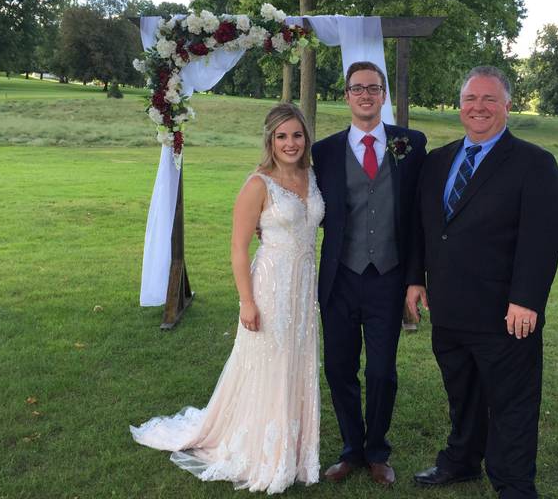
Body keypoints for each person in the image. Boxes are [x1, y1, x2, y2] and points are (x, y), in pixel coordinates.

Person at [130, 103, 325, 494]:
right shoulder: (258, 183)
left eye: (297, 135)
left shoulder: (312, 176)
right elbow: (238, 248)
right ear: (270, 140)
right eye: (282, 136)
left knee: (296, 361)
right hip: (269, 288)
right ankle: (261, 451)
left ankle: (296, 449)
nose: (290, 143)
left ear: (306, 138)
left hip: (303, 289)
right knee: (267, 364)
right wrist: (247, 302)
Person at [406, 66, 558, 499]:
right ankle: (460, 462)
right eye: (471, 100)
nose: (479, 108)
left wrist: (527, 299)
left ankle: (513, 484)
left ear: (507, 106)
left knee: (512, 405)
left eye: (489, 99)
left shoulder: (534, 163)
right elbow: (423, 226)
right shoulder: (438, 161)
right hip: (450, 309)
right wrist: (415, 279)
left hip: (505, 314)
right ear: (460, 107)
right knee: (463, 395)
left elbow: (545, 234)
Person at [311, 61, 427, 486]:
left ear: (383, 96)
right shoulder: (323, 151)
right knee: (339, 368)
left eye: (373, 88)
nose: (365, 95)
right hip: (340, 277)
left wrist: (416, 277)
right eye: (357, 89)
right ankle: (351, 450)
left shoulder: (411, 144)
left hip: (388, 277)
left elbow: (418, 217)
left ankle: (377, 450)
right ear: (346, 96)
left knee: (381, 370)